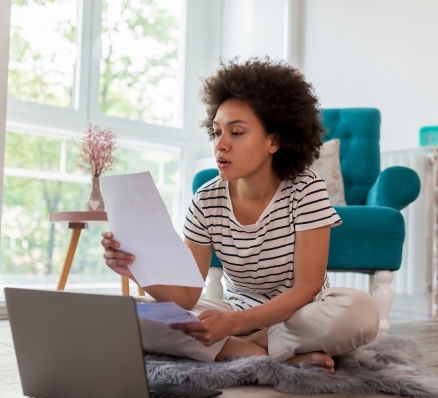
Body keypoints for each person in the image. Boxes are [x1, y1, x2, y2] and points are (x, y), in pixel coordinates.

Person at [101, 58, 379, 374]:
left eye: (236, 132)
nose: (220, 145)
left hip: (299, 314)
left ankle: (244, 346)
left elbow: (307, 288)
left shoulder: (306, 188)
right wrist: (137, 269)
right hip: (234, 310)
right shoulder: (205, 199)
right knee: (135, 315)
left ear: (274, 140)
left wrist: (232, 324)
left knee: (361, 310)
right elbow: (187, 295)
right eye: (217, 132)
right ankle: (271, 356)